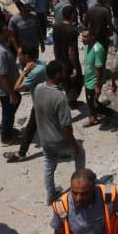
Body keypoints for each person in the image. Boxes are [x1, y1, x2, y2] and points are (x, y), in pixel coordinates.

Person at [34, 60, 80, 203]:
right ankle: (80, 188)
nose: (65, 73)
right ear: (57, 74)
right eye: (63, 71)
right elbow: (66, 127)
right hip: (58, 140)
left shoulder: (38, 89)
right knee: (80, 153)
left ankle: (50, 195)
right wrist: (73, 145)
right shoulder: (60, 97)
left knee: (49, 165)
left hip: (44, 138)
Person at [3, 47, 47, 163]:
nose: (18, 58)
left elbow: (16, 87)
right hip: (44, 99)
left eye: (19, 55)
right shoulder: (40, 63)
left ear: (27, 57)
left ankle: (21, 153)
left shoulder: (34, 71)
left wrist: (25, 71)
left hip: (40, 103)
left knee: (30, 128)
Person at [0, 24, 21, 146]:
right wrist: (11, 93)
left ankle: (5, 128)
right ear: (1, 34)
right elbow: (3, 75)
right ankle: (6, 138)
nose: (9, 31)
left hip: (0, 85)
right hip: (5, 88)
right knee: (9, 110)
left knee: (9, 109)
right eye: (6, 30)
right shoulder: (1, 52)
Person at [53, 4, 83, 106]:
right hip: (69, 62)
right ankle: (69, 101)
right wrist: (75, 67)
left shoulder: (56, 27)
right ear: (72, 15)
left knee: (66, 82)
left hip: (60, 60)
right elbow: (71, 51)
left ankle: (72, 101)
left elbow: (55, 46)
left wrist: (57, 59)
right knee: (78, 81)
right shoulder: (72, 31)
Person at [82, 30, 108, 127]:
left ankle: (94, 118)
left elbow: (99, 68)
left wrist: (97, 85)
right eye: (82, 36)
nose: (82, 39)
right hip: (88, 79)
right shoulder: (88, 46)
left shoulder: (97, 48)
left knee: (91, 101)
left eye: (85, 37)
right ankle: (98, 114)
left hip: (93, 81)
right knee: (91, 101)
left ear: (92, 36)